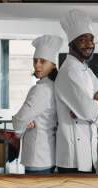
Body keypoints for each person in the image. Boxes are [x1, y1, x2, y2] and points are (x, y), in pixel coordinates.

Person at [55, 9, 98, 173]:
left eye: (91, 39)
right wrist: (94, 106)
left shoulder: (87, 71)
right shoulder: (68, 72)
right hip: (72, 156)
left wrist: (94, 105)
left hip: (87, 151)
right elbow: (88, 112)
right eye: (82, 40)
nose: (89, 44)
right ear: (71, 44)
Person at [12, 35, 63, 174]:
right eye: (35, 61)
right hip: (47, 154)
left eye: (43, 61)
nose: (37, 65)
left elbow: (19, 119)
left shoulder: (41, 90)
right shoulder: (53, 86)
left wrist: (20, 129)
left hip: (37, 156)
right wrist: (26, 122)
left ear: (53, 64)